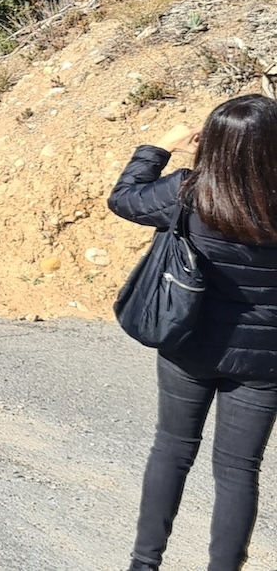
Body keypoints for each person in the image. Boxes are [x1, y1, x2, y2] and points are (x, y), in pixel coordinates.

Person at [109, 94, 277, 571]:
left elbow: (123, 199)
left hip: (189, 342)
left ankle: (144, 564)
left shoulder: (188, 191)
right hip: (265, 359)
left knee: (172, 449)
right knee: (240, 471)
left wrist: (158, 147)